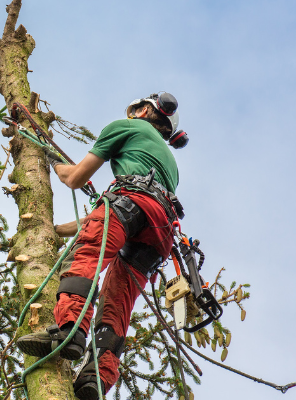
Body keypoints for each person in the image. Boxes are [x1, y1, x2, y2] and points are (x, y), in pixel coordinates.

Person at [15, 92, 188, 399]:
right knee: (117, 302)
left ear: (144, 110)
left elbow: (75, 179)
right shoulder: (169, 162)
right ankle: (96, 377)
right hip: (159, 232)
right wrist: (54, 229)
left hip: (128, 203)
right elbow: (107, 219)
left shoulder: (127, 126)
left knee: (85, 257)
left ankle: (70, 330)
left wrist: (53, 161)